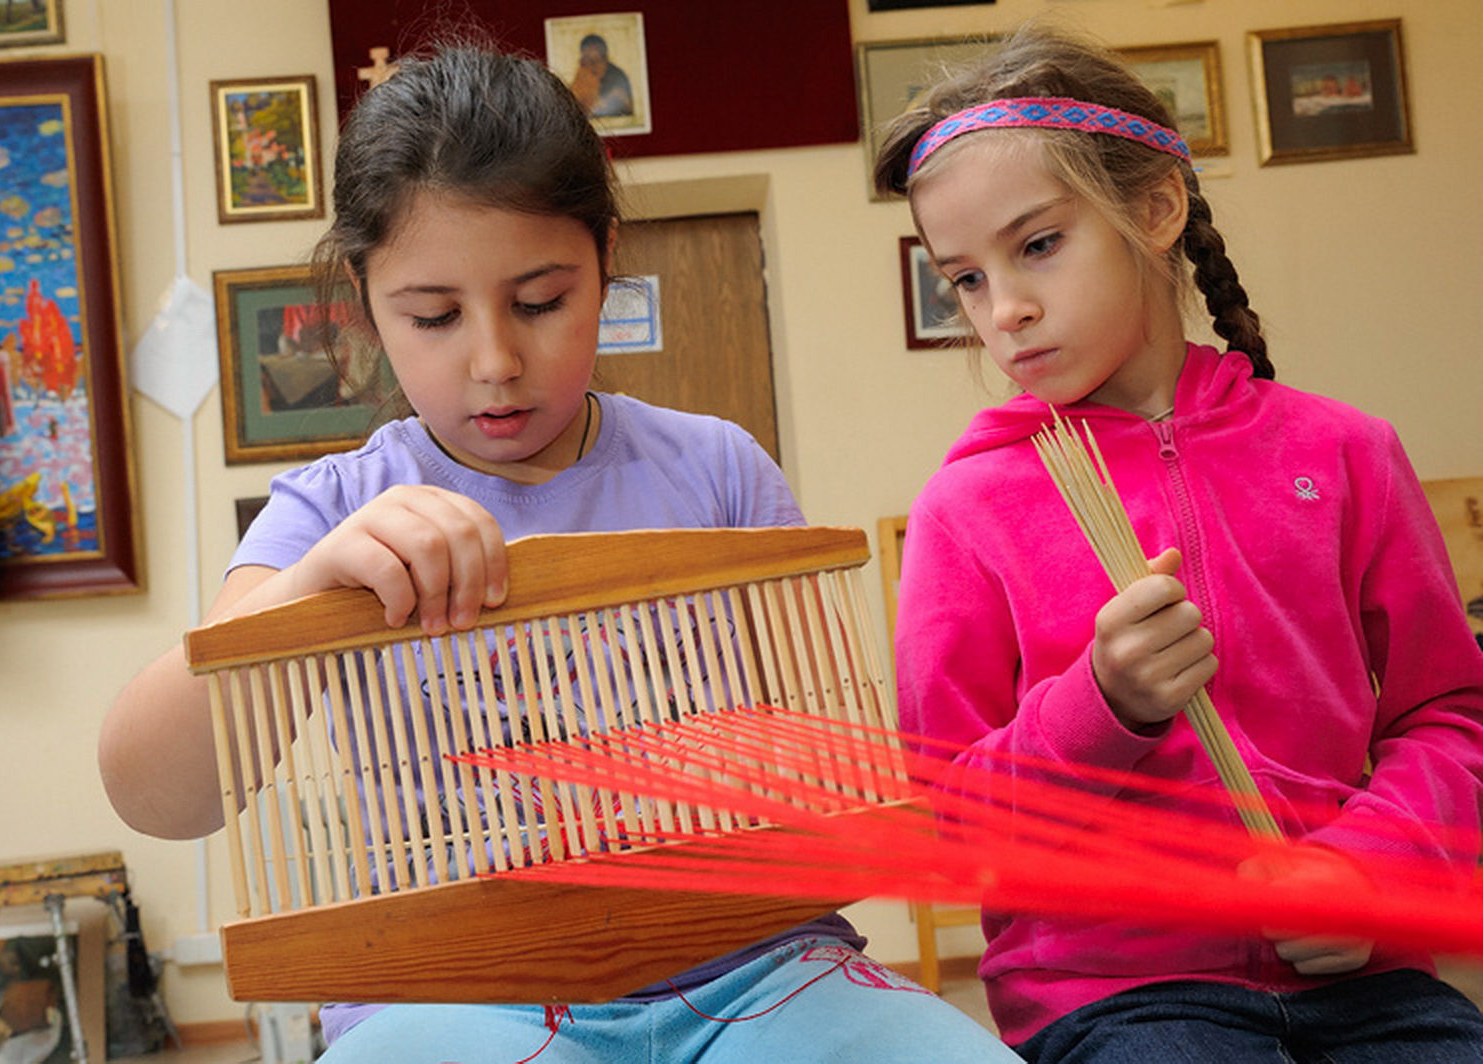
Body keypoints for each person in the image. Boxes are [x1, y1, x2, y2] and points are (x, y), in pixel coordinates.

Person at [99, 41, 1018, 1064]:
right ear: (365, 298)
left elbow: (811, 780)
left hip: (751, 962)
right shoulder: (331, 508)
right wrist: (315, 586)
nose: (495, 361)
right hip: (449, 990)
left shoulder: (717, 468)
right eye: (434, 316)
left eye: (541, 301)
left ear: (604, 258)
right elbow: (155, 794)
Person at [873, 24, 1483, 1064]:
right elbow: (950, 819)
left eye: (1036, 244)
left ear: (1153, 208)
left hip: (1370, 969)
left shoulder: (1344, 453)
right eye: (964, 279)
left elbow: (1450, 715)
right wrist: (1098, 706)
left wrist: (1365, 868)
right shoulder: (966, 506)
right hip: (1116, 993)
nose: (1004, 310)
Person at [570, 33, 633, 117]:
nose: (592, 65)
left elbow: (627, 107)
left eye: (596, 59)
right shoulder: (582, 74)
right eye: (587, 59)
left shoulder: (618, 77)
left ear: (605, 58)